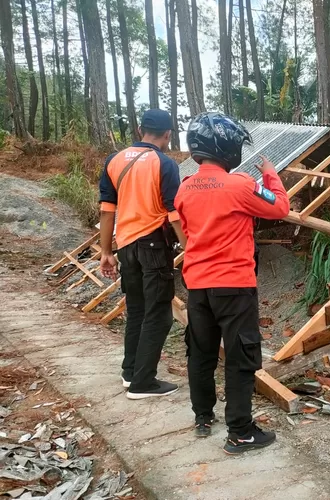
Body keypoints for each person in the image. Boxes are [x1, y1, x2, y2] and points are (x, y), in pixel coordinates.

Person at [174, 112, 289, 454]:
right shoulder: (239, 184)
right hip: (234, 286)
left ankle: (203, 416)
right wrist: (270, 174)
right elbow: (279, 208)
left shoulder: (184, 188)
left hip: (197, 285)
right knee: (241, 356)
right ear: (225, 147)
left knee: (201, 353)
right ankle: (240, 431)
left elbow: (187, 230)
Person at [98, 109, 187, 400]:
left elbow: (107, 210)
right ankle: (143, 382)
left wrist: (106, 253)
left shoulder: (113, 161)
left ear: (139, 129)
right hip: (152, 245)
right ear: (168, 134)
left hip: (125, 247)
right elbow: (174, 214)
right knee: (160, 313)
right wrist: (189, 246)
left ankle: (130, 371)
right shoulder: (164, 164)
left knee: (136, 308)